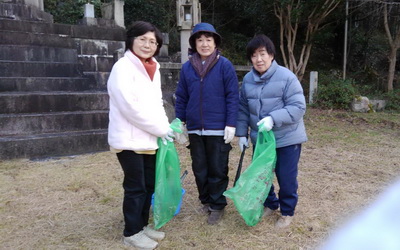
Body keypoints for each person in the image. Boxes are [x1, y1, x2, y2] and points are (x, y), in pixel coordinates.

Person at [107, 21, 174, 249]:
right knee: (135, 187)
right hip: (128, 139)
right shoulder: (123, 67)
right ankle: (131, 232)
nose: (148, 45)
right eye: (143, 39)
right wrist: (161, 129)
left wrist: (166, 128)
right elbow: (129, 108)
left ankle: (142, 226)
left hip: (148, 139)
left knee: (148, 185)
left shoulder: (152, 67)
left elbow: (157, 103)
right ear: (132, 40)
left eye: (152, 41)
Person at [235, 34, 307, 229]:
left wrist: (273, 118)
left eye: (262, 54)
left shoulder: (286, 77)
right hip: (261, 140)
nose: (258, 59)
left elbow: (298, 106)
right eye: (254, 55)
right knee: (262, 175)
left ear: (271, 55)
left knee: (286, 177)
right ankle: (270, 203)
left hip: (286, 138)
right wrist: (241, 133)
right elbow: (242, 108)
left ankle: (286, 212)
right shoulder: (248, 79)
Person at [175, 22, 239, 225]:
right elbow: (182, 97)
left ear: (215, 42)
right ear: (194, 43)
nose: (204, 44)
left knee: (218, 168)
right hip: (195, 129)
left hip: (218, 128)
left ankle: (217, 205)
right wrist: (180, 122)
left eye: (208, 40)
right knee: (200, 168)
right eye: (200, 40)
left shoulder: (224, 65)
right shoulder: (187, 68)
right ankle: (206, 201)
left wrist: (231, 123)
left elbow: (232, 96)